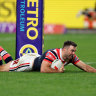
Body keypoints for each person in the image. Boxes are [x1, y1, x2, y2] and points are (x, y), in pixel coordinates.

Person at [0, 40, 96, 73]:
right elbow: (43, 69)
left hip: (36, 57)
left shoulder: (71, 57)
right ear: (64, 50)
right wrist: (58, 71)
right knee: (2, 68)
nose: (73, 53)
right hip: (28, 63)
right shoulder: (53, 54)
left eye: (74, 51)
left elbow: (85, 67)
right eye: (72, 50)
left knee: (9, 62)